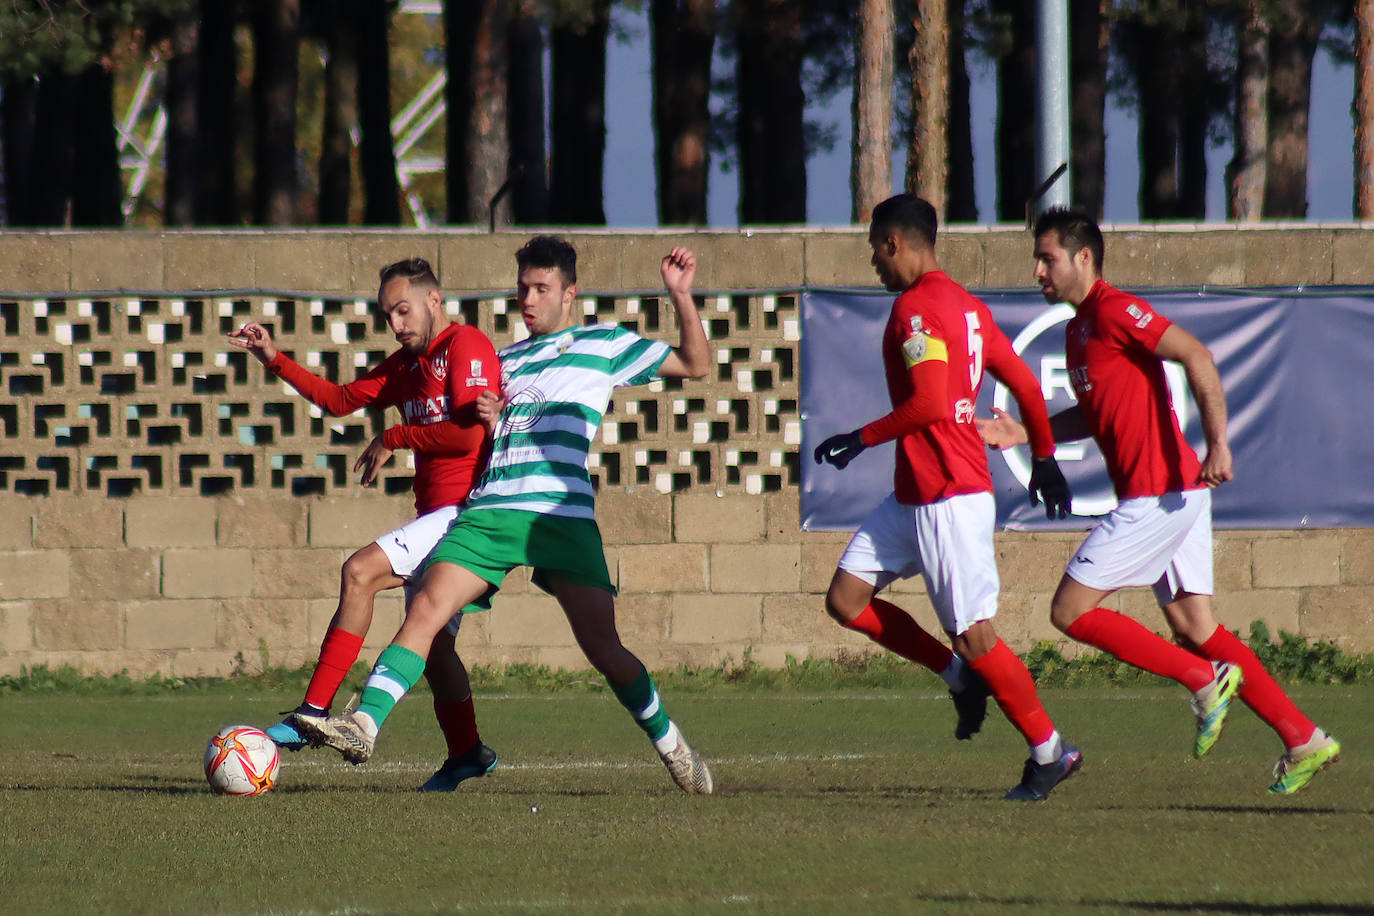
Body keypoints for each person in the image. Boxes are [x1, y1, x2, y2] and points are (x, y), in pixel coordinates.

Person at [293, 236, 717, 794]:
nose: (528, 300)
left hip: (561, 516)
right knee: (425, 609)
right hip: (492, 509)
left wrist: (681, 295)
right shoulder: (502, 360)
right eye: (522, 289)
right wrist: (491, 416)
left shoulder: (603, 343)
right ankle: (363, 724)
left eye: (541, 289)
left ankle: (672, 747)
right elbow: (482, 433)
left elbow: (696, 364)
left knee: (605, 651)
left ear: (570, 293)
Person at [978, 206, 1340, 795]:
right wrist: (1025, 431)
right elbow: (1093, 414)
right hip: (1171, 496)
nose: (1038, 270)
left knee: (1069, 612)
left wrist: (1219, 443)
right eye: (1037, 258)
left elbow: (1197, 354)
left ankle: (1203, 680)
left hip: (1161, 494)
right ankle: (1303, 738)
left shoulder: (1117, 310)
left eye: (1047, 257)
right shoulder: (1076, 330)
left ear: (1083, 257)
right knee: (1197, 625)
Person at [813, 193, 1080, 801]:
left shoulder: (915, 310)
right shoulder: (967, 308)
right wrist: (1042, 456)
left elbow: (932, 403)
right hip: (915, 495)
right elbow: (1024, 385)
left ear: (894, 243)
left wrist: (859, 438)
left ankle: (1050, 752)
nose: (875, 267)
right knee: (846, 598)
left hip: (947, 494)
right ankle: (958, 678)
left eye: (875, 253)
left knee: (976, 633)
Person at [228, 257, 502, 792]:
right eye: (388, 315)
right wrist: (272, 356)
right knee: (438, 650)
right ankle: (468, 752)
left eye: (404, 310)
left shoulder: (463, 345)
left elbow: (469, 436)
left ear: (434, 301)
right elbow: (337, 400)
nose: (397, 324)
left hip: (468, 512)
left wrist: (394, 438)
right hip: (437, 519)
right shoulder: (403, 366)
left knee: (360, 571)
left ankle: (312, 711)